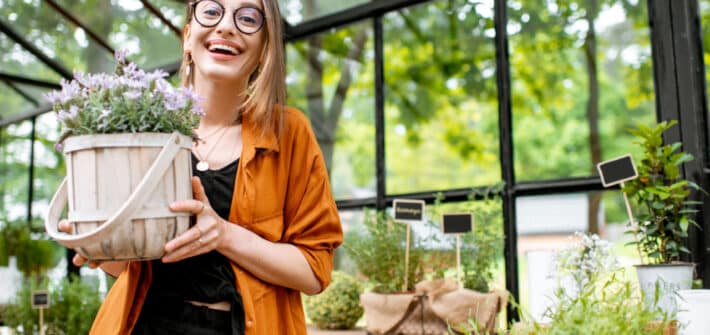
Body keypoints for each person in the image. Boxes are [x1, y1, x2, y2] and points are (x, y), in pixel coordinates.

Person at [58, 0, 343, 334]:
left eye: (248, 17)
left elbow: (314, 271)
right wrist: (102, 248)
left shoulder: (288, 132)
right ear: (188, 36)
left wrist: (223, 235)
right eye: (211, 11)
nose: (226, 26)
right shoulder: (145, 132)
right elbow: (137, 266)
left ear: (266, 47)